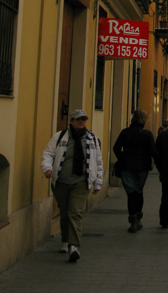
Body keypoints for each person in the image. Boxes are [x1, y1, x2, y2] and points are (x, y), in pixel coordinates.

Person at [41, 109, 103, 263]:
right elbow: (48, 153)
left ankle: (74, 246)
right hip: (61, 181)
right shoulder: (60, 137)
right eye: (78, 119)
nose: (81, 122)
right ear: (71, 121)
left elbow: (98, 162)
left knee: (75, 212)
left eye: (83, 119)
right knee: (64, 212)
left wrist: (98, 182)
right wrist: (47, 168)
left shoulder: (92, 139)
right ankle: (65, 239)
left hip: (81, 182)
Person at [113, 109, 157, 232]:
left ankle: (132, 220)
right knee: (139, 191)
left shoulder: (125, 132)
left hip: (127, 166)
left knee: (131, 193)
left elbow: (116, 148)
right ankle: (138, 217)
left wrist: (122, 158)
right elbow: (153, 151)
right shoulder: (147, 134)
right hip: (142, 167)